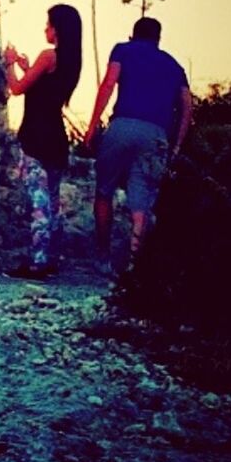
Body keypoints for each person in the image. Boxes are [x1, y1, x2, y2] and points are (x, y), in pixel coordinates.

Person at [83, 17, 192, 276]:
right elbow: (187, 106)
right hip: (156, 134)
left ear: (133, 35)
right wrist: (176, 145)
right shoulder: (174, 65)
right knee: (141, 201)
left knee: (104, 190)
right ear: (158, 38)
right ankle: (134, 265)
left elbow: (109, 83)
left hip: (122, 125)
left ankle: (102, 257)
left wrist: (92, 125)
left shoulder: (123, 49)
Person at [2, 4, 83, 279]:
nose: (45, 29)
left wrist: (10, 63)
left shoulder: (48, 56)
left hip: (36, 137)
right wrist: (29, 68)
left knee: (39, 202)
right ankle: (51, 259)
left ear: (57, 28)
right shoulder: (72, 61)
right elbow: (45, 89)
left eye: (48, 24)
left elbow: (16, 89)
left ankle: (36, 262)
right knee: (54, 202)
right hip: (57, 138)